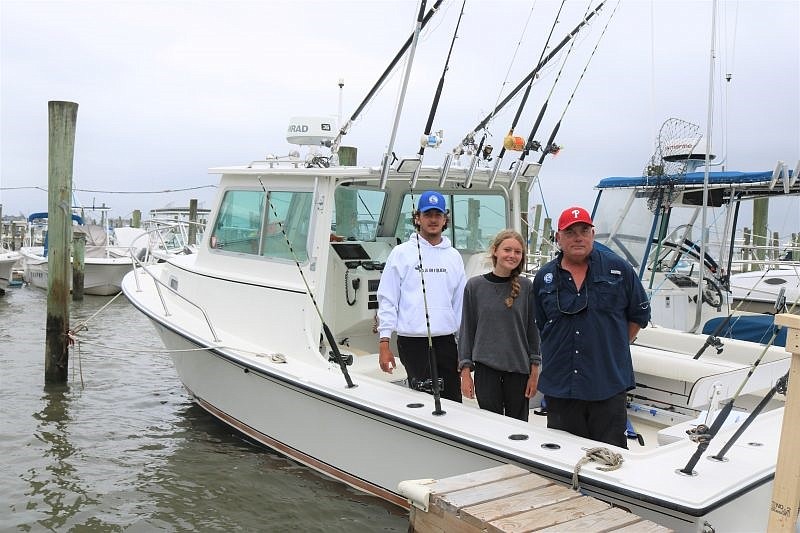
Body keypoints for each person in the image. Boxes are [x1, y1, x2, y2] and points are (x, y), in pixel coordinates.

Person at [533, 206, 651, 448]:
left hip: (606, 383)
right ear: (558, 237)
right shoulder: (544, 277)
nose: (578, 237)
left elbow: (639, 315)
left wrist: (612, 346)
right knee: (562, 457)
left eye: (584, 230)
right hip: (561, 386)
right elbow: (542, 323)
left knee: (611, 458)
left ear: (592, 234)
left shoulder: (619, 269)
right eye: (570, 232)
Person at [377, 190, 466, 402]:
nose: (433, 220)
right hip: (412, 342)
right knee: (422, 402)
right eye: (428, 214)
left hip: (446, 343)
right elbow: (387, 299)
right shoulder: (400, 253)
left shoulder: (454, 256)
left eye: (438, 215)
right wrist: (384, 344)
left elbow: (461, 305)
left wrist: (464, 350)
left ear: (445, 219)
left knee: (453, 402)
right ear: (418, 218)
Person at [458, 230, 541, 421]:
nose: (512, 255)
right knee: (490, 426)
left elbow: (533, 331)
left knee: (518, 430)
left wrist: (534, 370)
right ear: (495, 251)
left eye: (518, 252)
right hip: (486, 370)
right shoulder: (474, 286)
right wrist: (465, 372)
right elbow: (467, 331)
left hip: (519, 371)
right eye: (507, 250)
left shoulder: (527, 287)